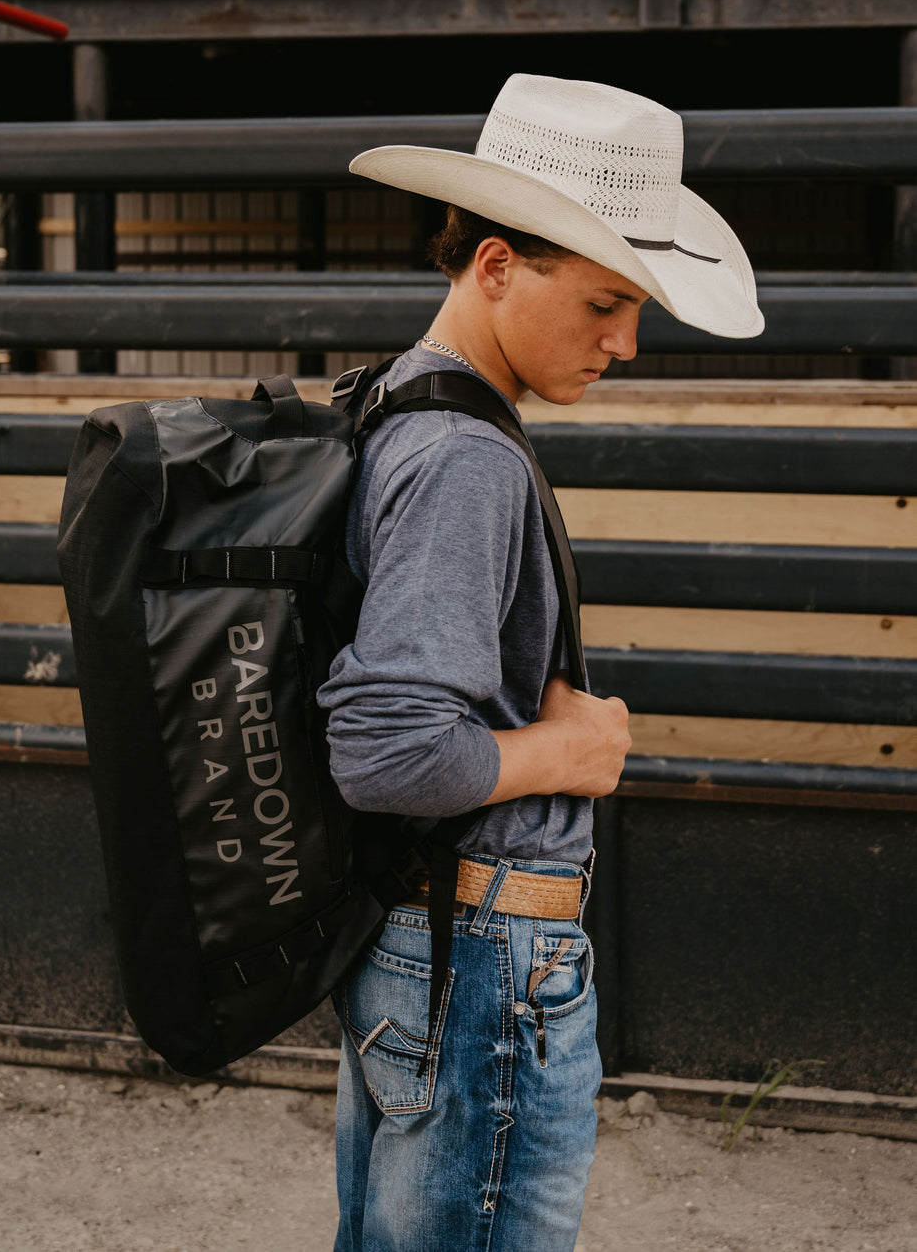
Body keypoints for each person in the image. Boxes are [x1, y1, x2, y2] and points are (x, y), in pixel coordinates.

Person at [316, 74, 764, 1252]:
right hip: (486, 955)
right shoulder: (466, 455)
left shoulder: (394, 405)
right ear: (499, 266)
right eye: (606, 302)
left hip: (427, 939)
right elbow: (388, 749)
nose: (623, 342)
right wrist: (569, 747)